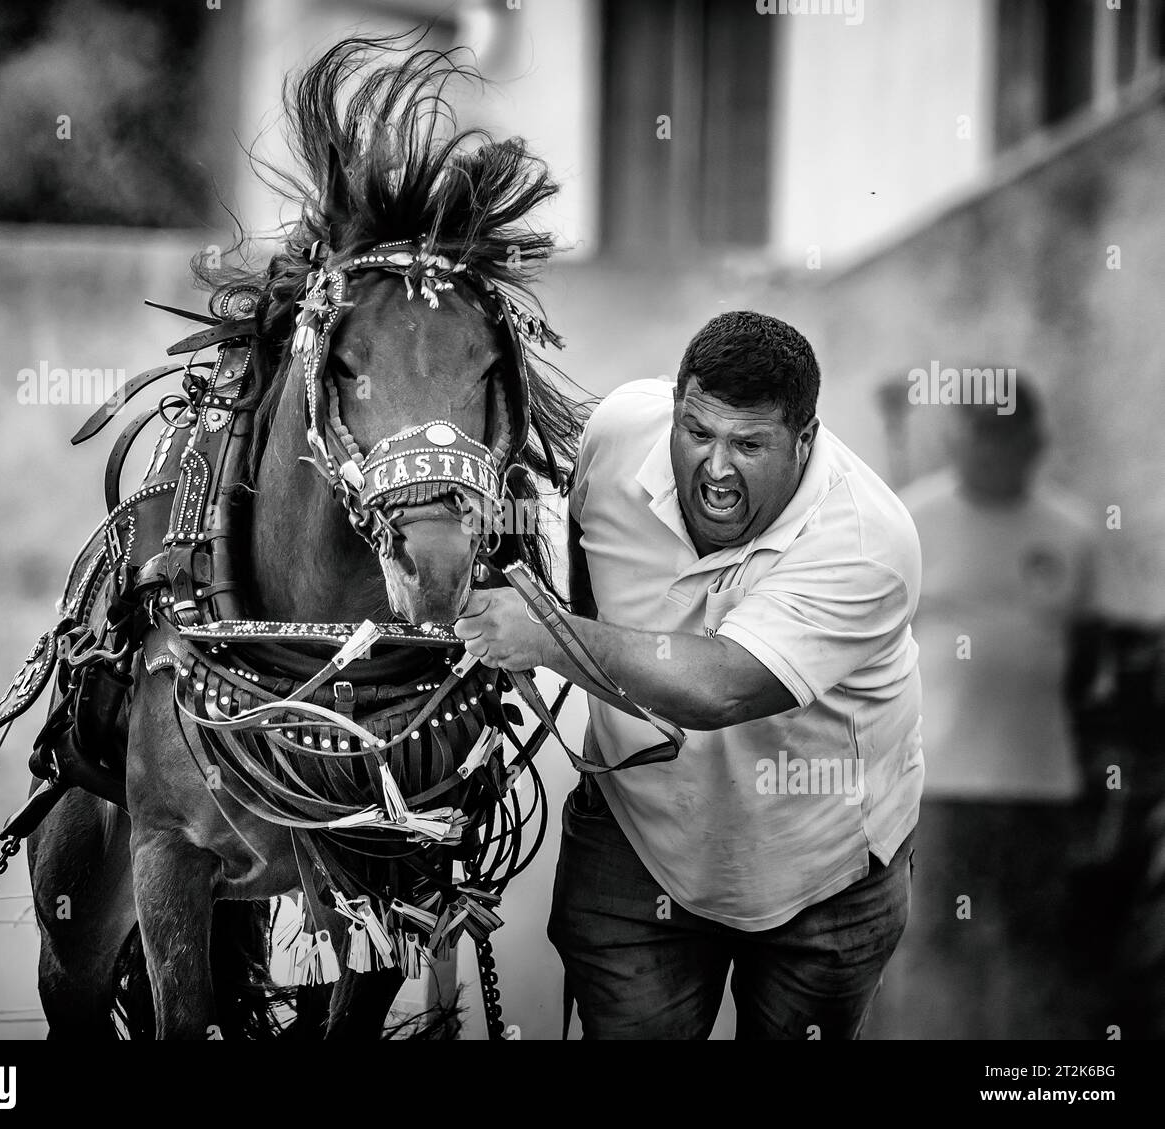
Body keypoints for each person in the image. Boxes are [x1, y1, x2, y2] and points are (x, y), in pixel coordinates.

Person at [456, 311, 923, 1039]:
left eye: (749, 444)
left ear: (805, 440)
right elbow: (589, 583)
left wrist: (545, 634)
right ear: (675, 411)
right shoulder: (617, 434)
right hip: (635, 841)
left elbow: (721, 686)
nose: (716, 467)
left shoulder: (869, 541)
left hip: (823, 874)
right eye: (698, 432)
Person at [867, 381, 1103, 1038]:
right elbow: (872, 650)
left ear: (1033, 442)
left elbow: (1082, 653)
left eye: (1011, 439)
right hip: (937, 786)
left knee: (1034, 947)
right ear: (957, 440)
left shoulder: (1072, 528)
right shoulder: (910, 519)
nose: (998, 453)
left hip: (1041, 786)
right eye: (984, 438)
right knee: (937, 942)